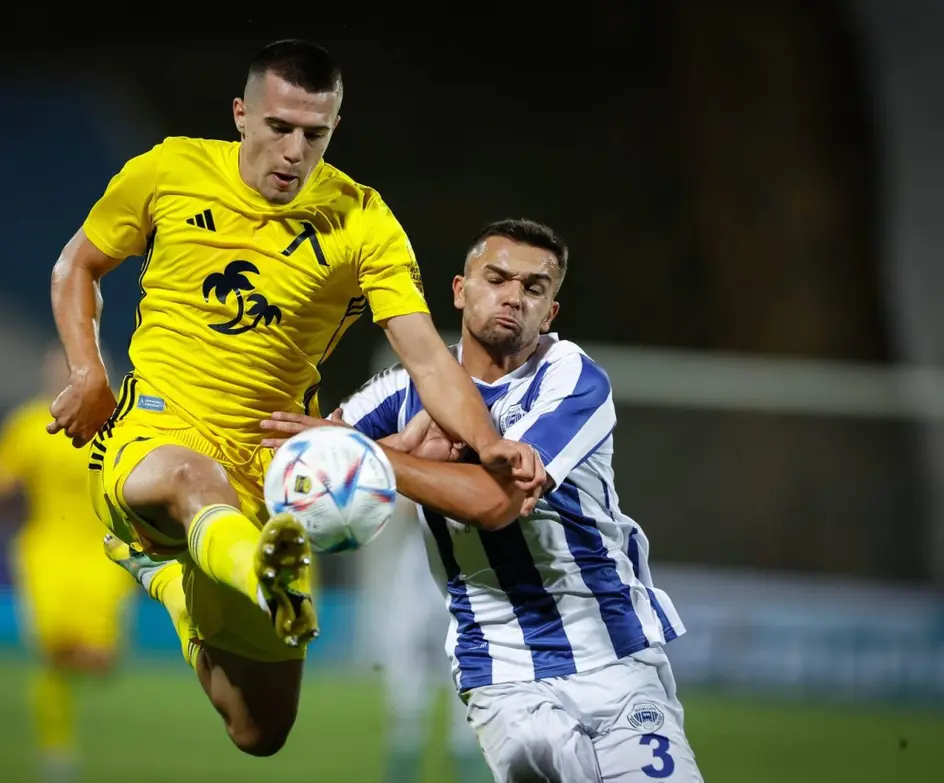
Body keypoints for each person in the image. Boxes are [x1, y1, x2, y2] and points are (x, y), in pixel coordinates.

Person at [45, 39, 546, 757]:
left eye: (314, 134)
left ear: (335, 127)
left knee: (259, 730)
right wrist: (87, 372)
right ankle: (256, 572)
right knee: (191, 478)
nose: (293, 151)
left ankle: (178, 584)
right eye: (278, 127)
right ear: (241, 114)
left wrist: (489, 441)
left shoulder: (362, 221)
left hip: (267, 471)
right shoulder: (169, 169)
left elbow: (428, 358)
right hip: (153, 434)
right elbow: (78, 265)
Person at [262, 218, 704, 781]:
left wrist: (377, 459)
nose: (514, 297)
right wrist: (396, 449)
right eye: (497, 279)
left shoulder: (570, 378)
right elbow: (306, 473)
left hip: (613, 654)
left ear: (550, 313)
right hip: (502, 670)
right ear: (460, 290)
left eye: (534, 288)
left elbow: (496, 504)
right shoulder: (402, 389)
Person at [0, 345, 136, 783]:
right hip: (47, 551)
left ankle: (74, 671)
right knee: (52, 653)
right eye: (59, 369)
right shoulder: (30, 425)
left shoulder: (119, 424)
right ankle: (56, 751)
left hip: (104, 553)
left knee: (101, 660)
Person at [364, 496, 491, 783]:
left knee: (468, 707)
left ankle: (470, 769)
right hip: (419, 577)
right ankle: (401, 772)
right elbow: (409, 509)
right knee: (405, 703)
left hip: (467, 572)